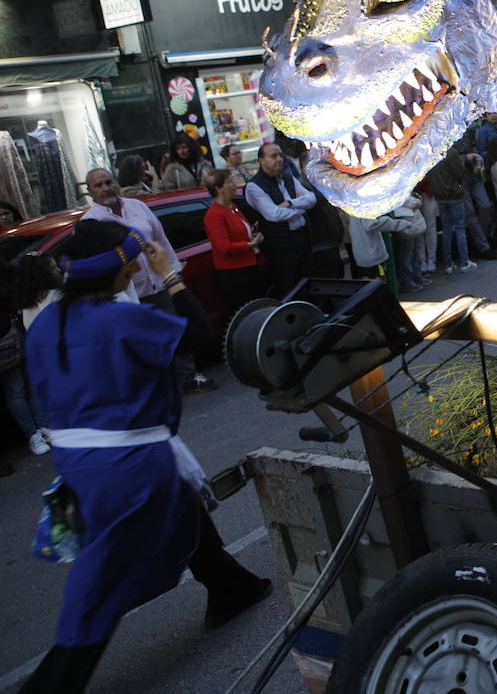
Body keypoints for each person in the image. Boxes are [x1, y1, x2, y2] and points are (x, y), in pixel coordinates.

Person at [18, 220, 271, 694]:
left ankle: (230, 587)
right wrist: (169, 273)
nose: (137, 265)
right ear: (115, 267)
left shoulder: (48, 321)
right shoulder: (121, 320)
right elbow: (199, 333)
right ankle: (54, 680)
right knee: (103, 580)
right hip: (131, 466)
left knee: (183, 512)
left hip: (80, 462)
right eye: (131, 258)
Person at [82, 168, 217, 393]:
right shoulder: (91, 222)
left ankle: (188, 376)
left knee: (175, 329)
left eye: (108, 182)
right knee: (143, 340)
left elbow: (161, 240)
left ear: (116, 182)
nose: (105, 188)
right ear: (90, 192)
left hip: (159, 283)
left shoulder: (137, 206)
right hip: (128, 292)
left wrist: (171, 273)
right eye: (99, 185)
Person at [246, 141, 316, 297]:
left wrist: (291, 203)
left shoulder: (288, 177)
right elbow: (274, 214)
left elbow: (312, 198)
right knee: (289, 288)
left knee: (309, 283)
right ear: (261, 160)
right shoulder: (254, 186)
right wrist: (301, 208)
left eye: (280, 155)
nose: (279, 159)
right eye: (273, 156)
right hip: (280, 247)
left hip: (302, 238)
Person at [0, 253, 53, 455]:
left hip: (17, 329)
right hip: (4, 337)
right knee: (16, 388)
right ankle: (33, 433)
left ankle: (44, 426)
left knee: (31, 381)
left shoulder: (7, 270)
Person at [202, 169, 267, 314]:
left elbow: (241, 232)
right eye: (230, 182)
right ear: (219, 189)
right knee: (245, 310)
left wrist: (253, 237)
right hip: (235, 272)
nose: (234, 185)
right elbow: (223, 247)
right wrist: (251, 244)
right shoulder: (214, 215)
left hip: (249, 264)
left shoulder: (233, 207)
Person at [428, 142, 478, 275]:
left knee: (446, 229)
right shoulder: (450, 152)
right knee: (460, 227)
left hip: (440, 195)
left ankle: (448, 264)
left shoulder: (430, 153)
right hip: (454, 194)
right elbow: (459, 171)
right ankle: (464, 262)